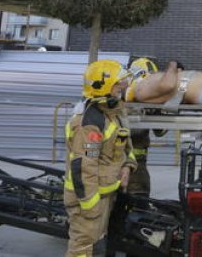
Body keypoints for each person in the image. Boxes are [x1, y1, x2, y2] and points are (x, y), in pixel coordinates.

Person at [64, 59, 137, 257]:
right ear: (103, 87)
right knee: (83, 247)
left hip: (105, 194)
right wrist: (90, 206)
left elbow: (125, 147)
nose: (123, 87)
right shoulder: (90, 124)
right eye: (118, 84)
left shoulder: (114, 114)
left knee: (97, 245)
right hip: (88, 198)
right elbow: (83, 165)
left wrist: (127, 166)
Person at [125, 57, 161, 195]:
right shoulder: (119, 101)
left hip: (139, 164)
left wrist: (157, 110)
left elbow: (160, 131)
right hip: (118, 162)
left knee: (140, 197)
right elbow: (129, 130)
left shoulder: (147, 101)